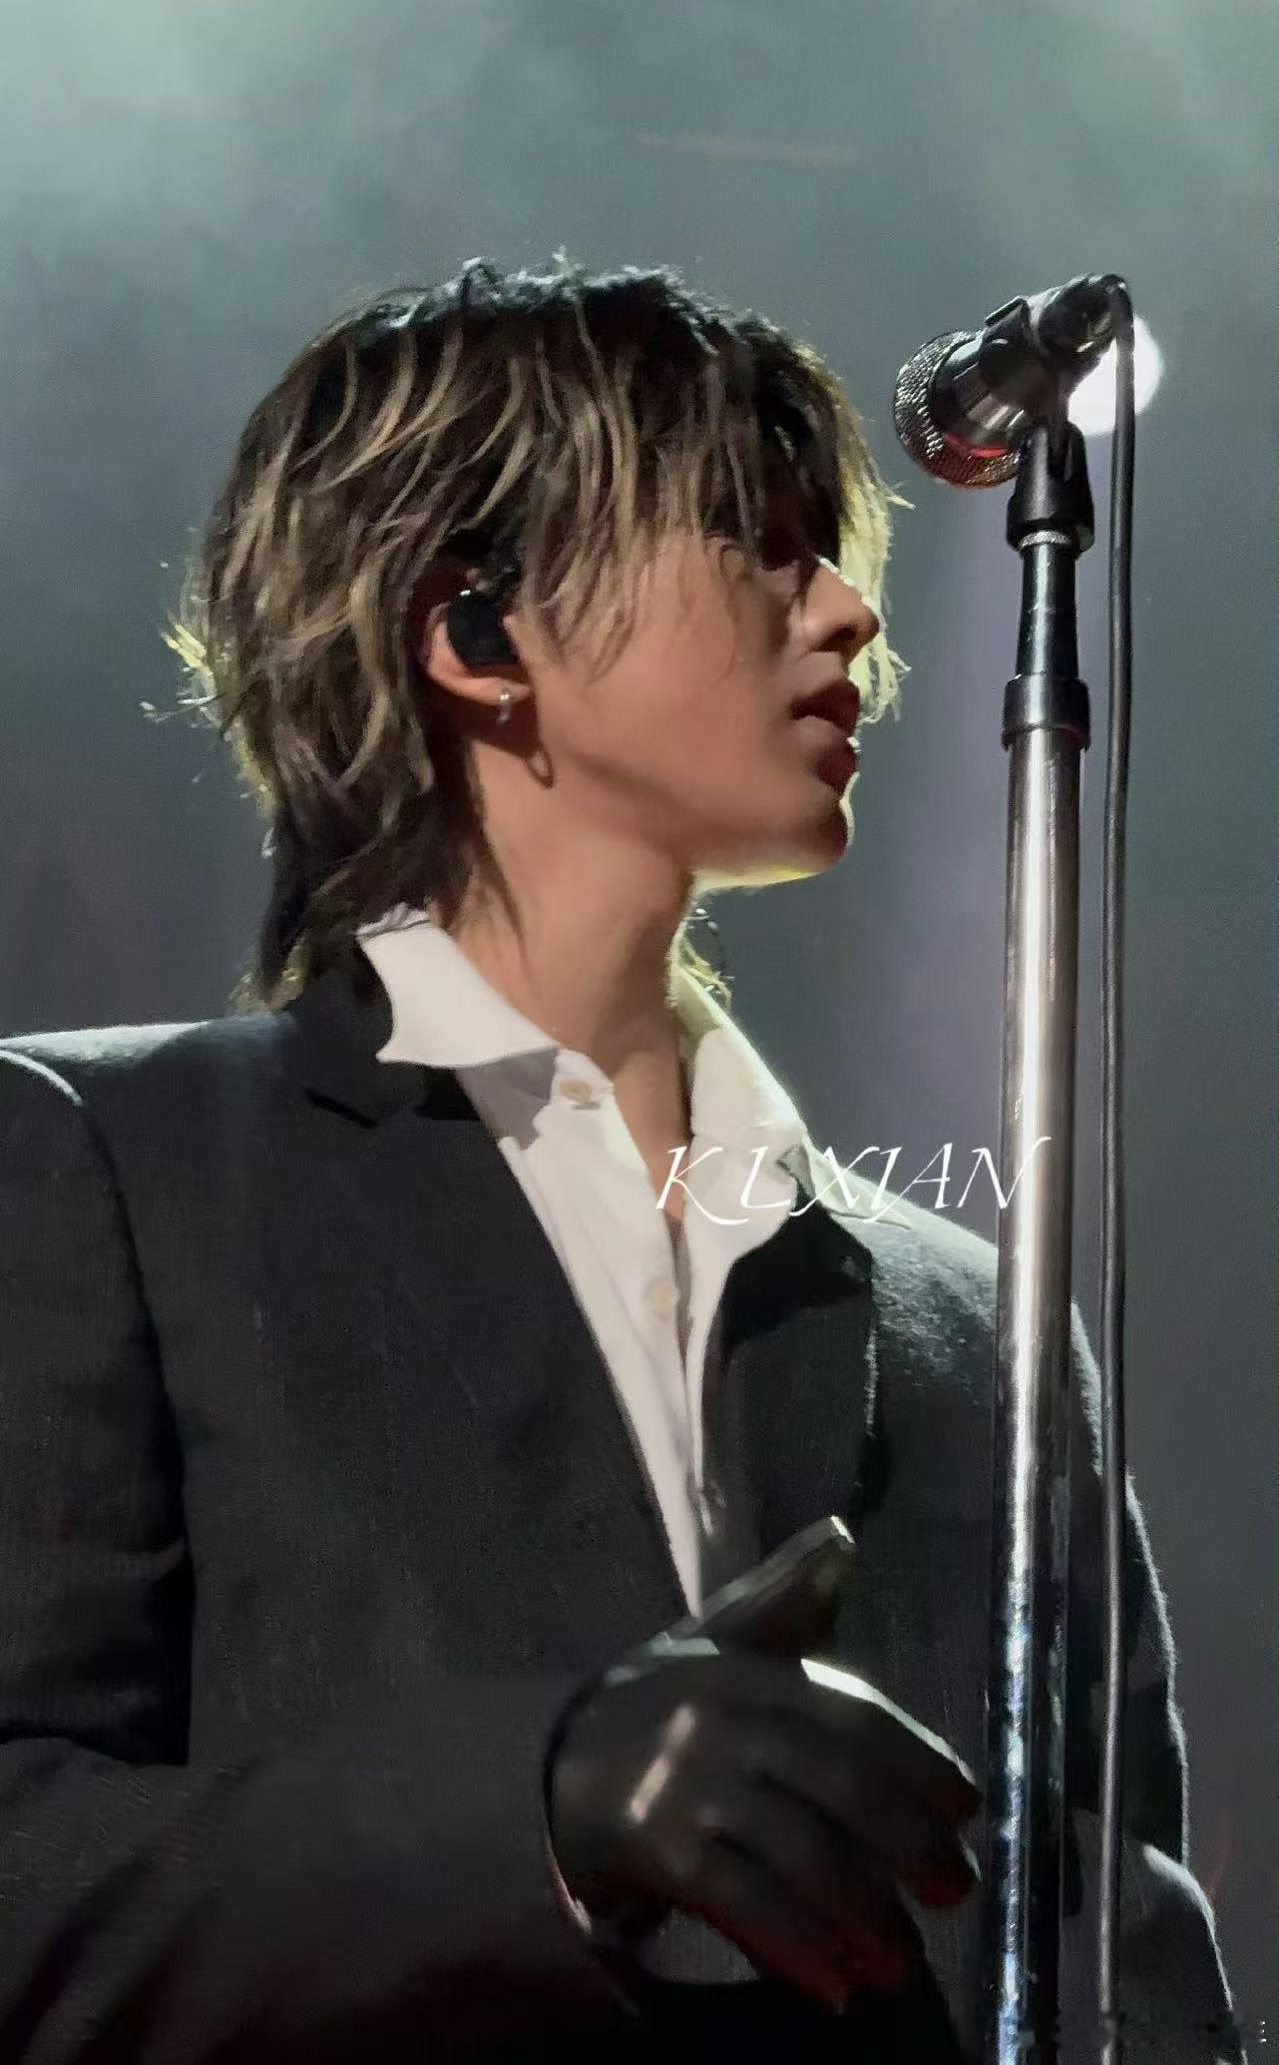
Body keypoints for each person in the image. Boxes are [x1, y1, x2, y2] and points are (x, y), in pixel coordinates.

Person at [0, 259, 1242, 2062]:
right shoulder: (109, 1169)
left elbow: (1122, 1945)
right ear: (475, 630)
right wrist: (540, 1802)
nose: (849, 615)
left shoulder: (976, 1316)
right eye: (760, 544)